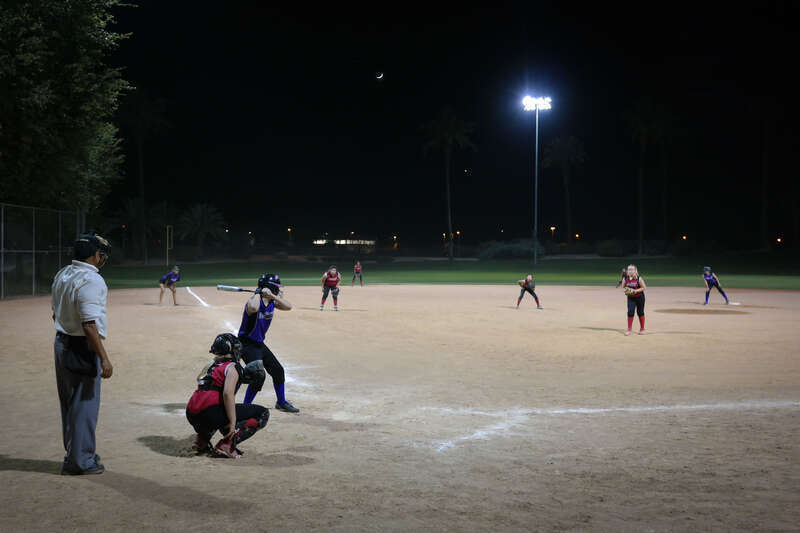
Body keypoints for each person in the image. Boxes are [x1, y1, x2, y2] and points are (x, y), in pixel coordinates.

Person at [51, 233, 114, 475]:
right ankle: (81, 461)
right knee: (85, 405)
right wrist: (104, 358)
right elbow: (89, 324)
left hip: (62, 343)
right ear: (94, 255)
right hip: (81, 347)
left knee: (69, 403)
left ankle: (76, 452)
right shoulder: (91, 280)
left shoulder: (63, 274)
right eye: (101, 253)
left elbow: (55, 314)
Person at [186, 333, 270, 458]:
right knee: (262, 413)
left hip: (192, 414)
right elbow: (227, 393)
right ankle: (227, 444)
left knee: (213, 407)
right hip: (209, 415)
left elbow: (201, 381)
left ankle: (201, 440)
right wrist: (232, 421)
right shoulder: (232, 367)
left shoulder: (210, 366)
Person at [238, 274, 299, 413]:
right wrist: (259, 293)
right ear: (270, 287)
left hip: (259, 344)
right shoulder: (254, 301)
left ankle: (281, 402)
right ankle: (245, 407)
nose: (279, 290)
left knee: (278, 371)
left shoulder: (272, 302)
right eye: (277, 288)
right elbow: (252, 308)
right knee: (258, 375)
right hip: (246, 344)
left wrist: (273, 296)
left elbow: (289, 307)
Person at [620, 264, 647, 336]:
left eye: (632, 269)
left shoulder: (639, 278)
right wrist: (626, 288)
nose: (630, 271)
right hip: (631, 298)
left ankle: (642, 329)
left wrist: (635, 291)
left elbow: (644, 288)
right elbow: (623, 286)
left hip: (640, 297)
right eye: (629, 269)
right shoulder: (625, 278)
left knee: (640, 312)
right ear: (627, 271)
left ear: (635, 271)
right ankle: (629, 329)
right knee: (630, 312)